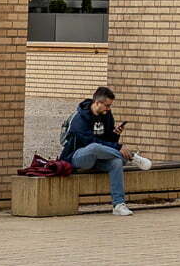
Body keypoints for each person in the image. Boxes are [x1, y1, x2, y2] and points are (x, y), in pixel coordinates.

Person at [61, 86, 152, 215]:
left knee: (116, 162)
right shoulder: (79, 119)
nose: (109, 109)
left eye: (110, 106)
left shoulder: (107, 115)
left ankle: (118, 205)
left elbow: (108, 141)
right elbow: (91, 142)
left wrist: (115, 135)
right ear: (97, 103)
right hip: (77, 157)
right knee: (94, 147)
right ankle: (131, 157)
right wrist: (119, 147)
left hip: (98, 158)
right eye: (107, 105)